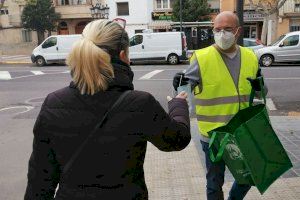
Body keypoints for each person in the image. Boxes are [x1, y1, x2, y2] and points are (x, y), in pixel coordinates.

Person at [24, 19, 191, 200]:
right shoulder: (140, 104)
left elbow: (40, 179)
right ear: (122, 56)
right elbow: (177, 140)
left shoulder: (54, 103)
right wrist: (178, 106)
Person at [173, 11, 266, 200]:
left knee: (248, 177)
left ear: (238, 31)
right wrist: (179, 85)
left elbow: (262, 94)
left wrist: (259, 86)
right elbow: (184, 90)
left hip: (243, 132)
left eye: (227, 29)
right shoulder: (201, 57)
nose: (222, 33)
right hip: (214, 135)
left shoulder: (251, 56)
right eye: (217, 29)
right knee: (214, 184)